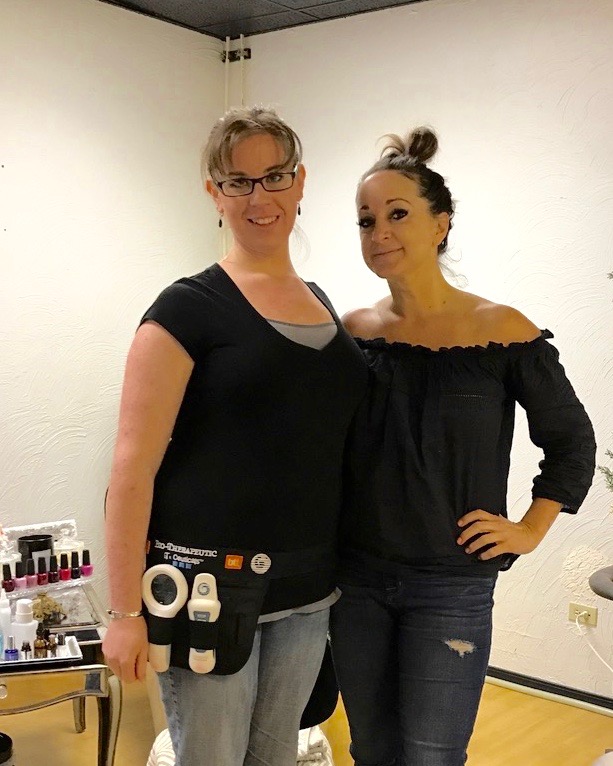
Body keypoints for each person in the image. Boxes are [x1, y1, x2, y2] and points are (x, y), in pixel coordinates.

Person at [102, 106, 367, 766]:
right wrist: (124, 613)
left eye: (274, 176)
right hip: (207, 594)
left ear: (299, 182)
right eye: (238, 181)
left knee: (277, 756)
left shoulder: (322, 302)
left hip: (306, 589)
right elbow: (131, 470)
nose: (258, 197)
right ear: (213, 193)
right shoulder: (186, 309)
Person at [330, 127, 596, 766]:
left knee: (434, 755)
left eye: (398, 214)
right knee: (371, 750)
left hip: (452, 585)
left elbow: (571, 441)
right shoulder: (354, 333)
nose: (380, 233)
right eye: (367, 220)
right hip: (356, 580)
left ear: (441, 224)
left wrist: (528, 529)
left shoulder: (501, 331)